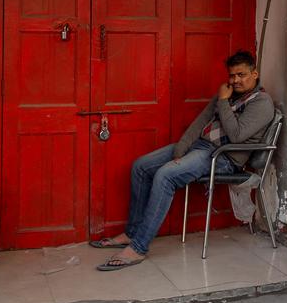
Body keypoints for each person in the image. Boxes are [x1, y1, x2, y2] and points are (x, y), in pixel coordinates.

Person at [93, 50, 274, 270]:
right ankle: (132, 233)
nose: (235, 80)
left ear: (254, 74)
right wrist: (180, 151)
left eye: (242, 74)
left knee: (165, 176)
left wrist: (224, 102)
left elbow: (236, 135)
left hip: (223, 156)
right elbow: (200, 123)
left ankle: (139, 248)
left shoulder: (262, 102)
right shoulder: (225, 95)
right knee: (141, 167)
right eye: (232, 75)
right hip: (200, 148)